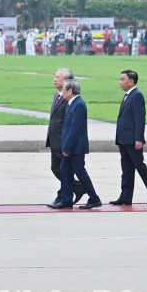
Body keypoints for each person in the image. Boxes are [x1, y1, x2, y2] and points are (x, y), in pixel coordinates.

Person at [110, 70, 147, 206]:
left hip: (133, 140)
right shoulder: (127, 96)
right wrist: (118, 140)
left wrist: (139, 139)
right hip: (124, 139)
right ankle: (125, 196)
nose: (120, 82)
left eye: (122, 79)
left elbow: (139, 119)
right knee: (126, 169)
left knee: (140, 166)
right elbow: (122, 120)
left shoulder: (137, 96)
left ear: (131, 82)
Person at [48, 80, 102, 210]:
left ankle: (94, 198)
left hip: (75, 148)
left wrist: (66, 147)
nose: (62, 92)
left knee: (80, 173)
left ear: (70, 91)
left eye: (64, 90)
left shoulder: (79, 104)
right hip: (69, 147)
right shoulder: (71, 104)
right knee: (65, 173)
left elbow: (74, 129)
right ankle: (66, 199)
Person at [45, 69, 84, 207]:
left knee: (64, 170)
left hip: (63, 141)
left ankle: (64, 196)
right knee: (56, 168)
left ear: (67, 81)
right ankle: (78, 188)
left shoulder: (69, 99)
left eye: (58, 77)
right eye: (54, 76)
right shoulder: (57, 95)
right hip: (54, 140)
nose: (55, 79)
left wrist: (66, 143)